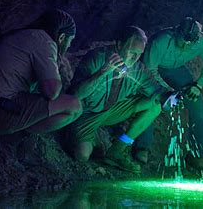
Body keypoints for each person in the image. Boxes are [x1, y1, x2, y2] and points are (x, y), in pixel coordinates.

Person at [67, 26, 173, 174]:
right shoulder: (97, 58)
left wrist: (171, 97)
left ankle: (117, 150)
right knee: (82, 155)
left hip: (111, 111)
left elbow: (157, 92)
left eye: (139, 54)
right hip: (86, 114)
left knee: (154, 105)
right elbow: (75, 95)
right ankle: (92, 137)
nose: (135, 58)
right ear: (119, 45)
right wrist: (104, 71)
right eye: (131, 52)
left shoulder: (137, 68)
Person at [0, 9, 82, 136]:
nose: (70, 45)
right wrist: (60, 69)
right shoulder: (46, 43)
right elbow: (52, 92)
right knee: (75, 106)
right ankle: (18, 135)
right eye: (70, 40)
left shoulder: (24, 35)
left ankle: (18, 127)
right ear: (61, 37)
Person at [138, 17, 203, 171]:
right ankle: (141, 147)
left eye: (190, 43)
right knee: (151, 100)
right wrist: (167, 92)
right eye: (182, 41)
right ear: (176, 32)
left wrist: (198, 85)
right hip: (150, 70)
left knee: (197, 106)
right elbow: (149, 71)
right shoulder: (160, 41)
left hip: (176, 70)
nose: (185, 45)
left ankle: (196, 155)